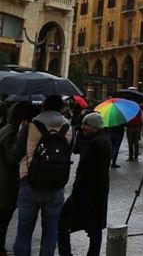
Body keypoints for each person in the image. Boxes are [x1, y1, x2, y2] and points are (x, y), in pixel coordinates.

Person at [13, 95, 73, 256]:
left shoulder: (30, 125)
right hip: (56, 184)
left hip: (29, 181)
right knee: (51, 231)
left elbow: (16, 154)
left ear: (44, 105)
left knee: (24, 231)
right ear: (62, 107)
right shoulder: (68, 127)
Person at [57, 113, 111, 256]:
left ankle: (66, 253)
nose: (82, 127)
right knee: (95, 228)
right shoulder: (102, 139)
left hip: (86, 193)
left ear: (93, 126)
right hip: (97, 193)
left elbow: (86, 171)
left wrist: (76, 190)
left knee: (62, 221)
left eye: (85, 124)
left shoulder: (96, 143)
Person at [0, 102, 28, 256]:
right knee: (3, 220)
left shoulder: (5, 129)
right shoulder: (11, 133)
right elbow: (12, 158)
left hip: (4, 183)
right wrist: (22, 138)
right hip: (6, 185)